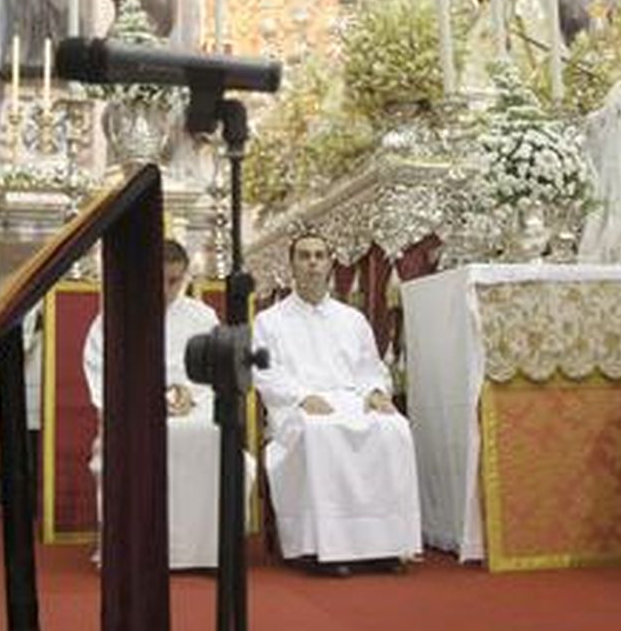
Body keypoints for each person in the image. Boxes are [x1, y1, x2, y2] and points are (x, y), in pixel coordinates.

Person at [250, 233, 421, 575]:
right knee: (320, 434)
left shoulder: (351, 319)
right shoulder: (269, 321)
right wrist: (300, 397)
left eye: (319, 256)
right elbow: (264, 372)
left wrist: (375, 391)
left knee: (393, 429)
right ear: (292, 265)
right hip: (299, 407)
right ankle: (320, 548)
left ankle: (383, 545)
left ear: (330, 263)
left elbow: (371, 368)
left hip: (351, 400)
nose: (312, 263)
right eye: (304, 256)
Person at [82, 240, 255, 570]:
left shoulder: (202, 316)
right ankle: (138, 553)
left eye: (174, 281)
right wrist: (149, 399)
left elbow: (218, 371)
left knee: (216, 438)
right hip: (133, 412)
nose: (165, 289)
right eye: (158, 280)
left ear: (186, 276)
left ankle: (209, 551)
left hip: (194, 408)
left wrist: (191, 393)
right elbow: (101, 374)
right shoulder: (115, 317)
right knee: (134, 443)